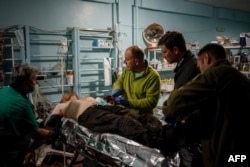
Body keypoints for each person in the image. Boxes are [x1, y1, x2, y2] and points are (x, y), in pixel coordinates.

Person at [163, 43, 250, 167]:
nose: (200, 72)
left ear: (206, 58)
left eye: (199, 67)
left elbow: (175, 102)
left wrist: (168, 108)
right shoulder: (240, 78)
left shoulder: (218, 73)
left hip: (225, 153)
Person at [158, 31, 201, 167]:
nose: (163, 56)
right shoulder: (183, 66)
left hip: (192, 132)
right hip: (184, 131)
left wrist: (185, 119)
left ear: (175, 50)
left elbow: (202, 101)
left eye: (165, 52)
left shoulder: (193, 67)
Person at [0, 64, 57, 167]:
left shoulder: (3, 92)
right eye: (34, 80)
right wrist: (53, 133)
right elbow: (35, 133)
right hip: (10, 155)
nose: (36, 83)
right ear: (25, 83)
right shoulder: (21, 103)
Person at [111, 45, 161, 114]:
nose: (125, 62)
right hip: (127, 114)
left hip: (143, 118)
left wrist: (129, 103)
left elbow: (150, 102)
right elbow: (120, 81)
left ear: (136, 62)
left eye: (127, 59)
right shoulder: (128, 70)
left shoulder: (153, 77)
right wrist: (117, 89)